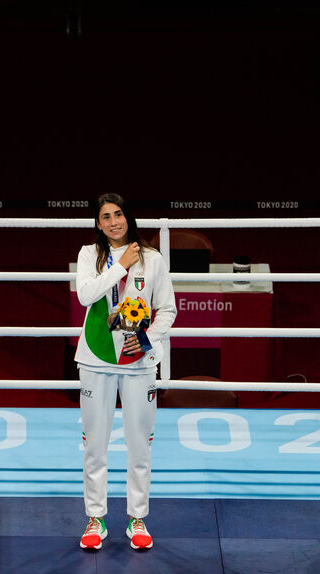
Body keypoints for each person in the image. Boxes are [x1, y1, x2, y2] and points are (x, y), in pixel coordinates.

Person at [73, 193, 177, 551]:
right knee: (95, 444)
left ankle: (137, 518)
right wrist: (120, 265)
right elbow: (85, 295)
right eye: (106, 217)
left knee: (139, 444)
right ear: (98, 224)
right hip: (95, 357)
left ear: (128, 218)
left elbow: (168, 309)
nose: (114, 221)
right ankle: (95, 518)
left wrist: (147, 337)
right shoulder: (90, 255)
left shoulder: (154, 259)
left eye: (119, 214)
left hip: (140, 359)